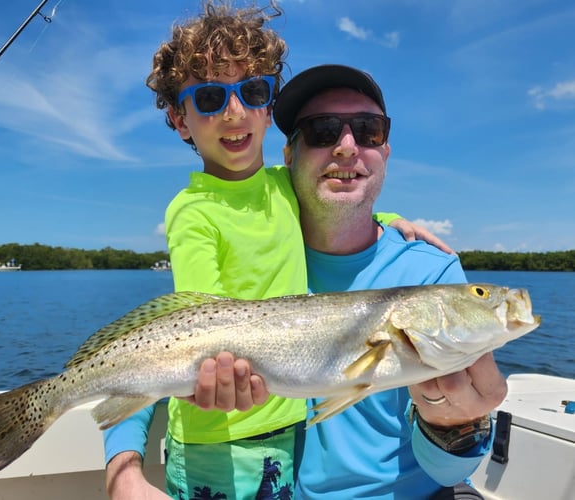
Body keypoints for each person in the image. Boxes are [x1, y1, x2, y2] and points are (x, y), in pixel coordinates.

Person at [102, 3, 447, 499]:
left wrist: (391, 221)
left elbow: (342, 195)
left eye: (253, 92)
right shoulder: (192, 209)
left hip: (283, 425)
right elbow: (199, 320)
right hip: (217, 436)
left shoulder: (286, 185)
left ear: (268, 108)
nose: (235, 111)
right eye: (210, 97)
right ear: (180, 119)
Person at [193, 63, 507, 500]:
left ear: (386, 151)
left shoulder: (431, 274)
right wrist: (125, 467)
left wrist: (457, 424)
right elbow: (161, 345)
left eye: (367, 130)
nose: (346, 146)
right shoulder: (251, 255)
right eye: (321, 130)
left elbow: (444, 472)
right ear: (288, 156)